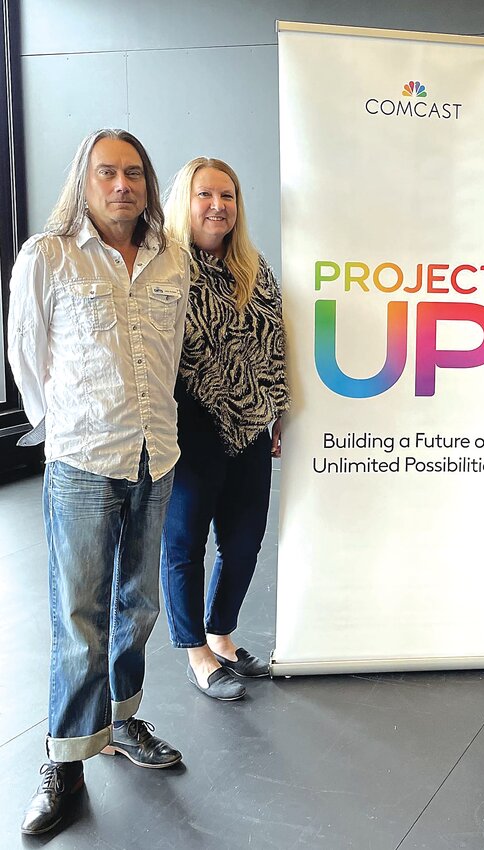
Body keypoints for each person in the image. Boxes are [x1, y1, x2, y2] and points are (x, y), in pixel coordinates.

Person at [9, 129, 189, 836]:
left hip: (157, 453)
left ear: (147, 184)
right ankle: (64, 763)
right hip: (83, 459)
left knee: (138, 604)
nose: (122, 186)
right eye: (108, 174)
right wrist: (63, 430)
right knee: (77, 618)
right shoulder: (46, 255)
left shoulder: (168, 256)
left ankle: (118, 722)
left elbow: (169, 352)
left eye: (135, 174)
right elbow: (27, 355)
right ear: (84, 182)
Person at [159, 157, 289, 701]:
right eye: (205, 195)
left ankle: (222, 632)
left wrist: (275, 409)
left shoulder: (253, 270)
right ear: (184, 203)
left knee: (243, 541)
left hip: (252, 424)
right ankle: (195, 652)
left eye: (228, 196)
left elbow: (276, 341)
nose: (218, 206)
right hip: (188, 423)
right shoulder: (163, 269)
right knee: (185, 543)